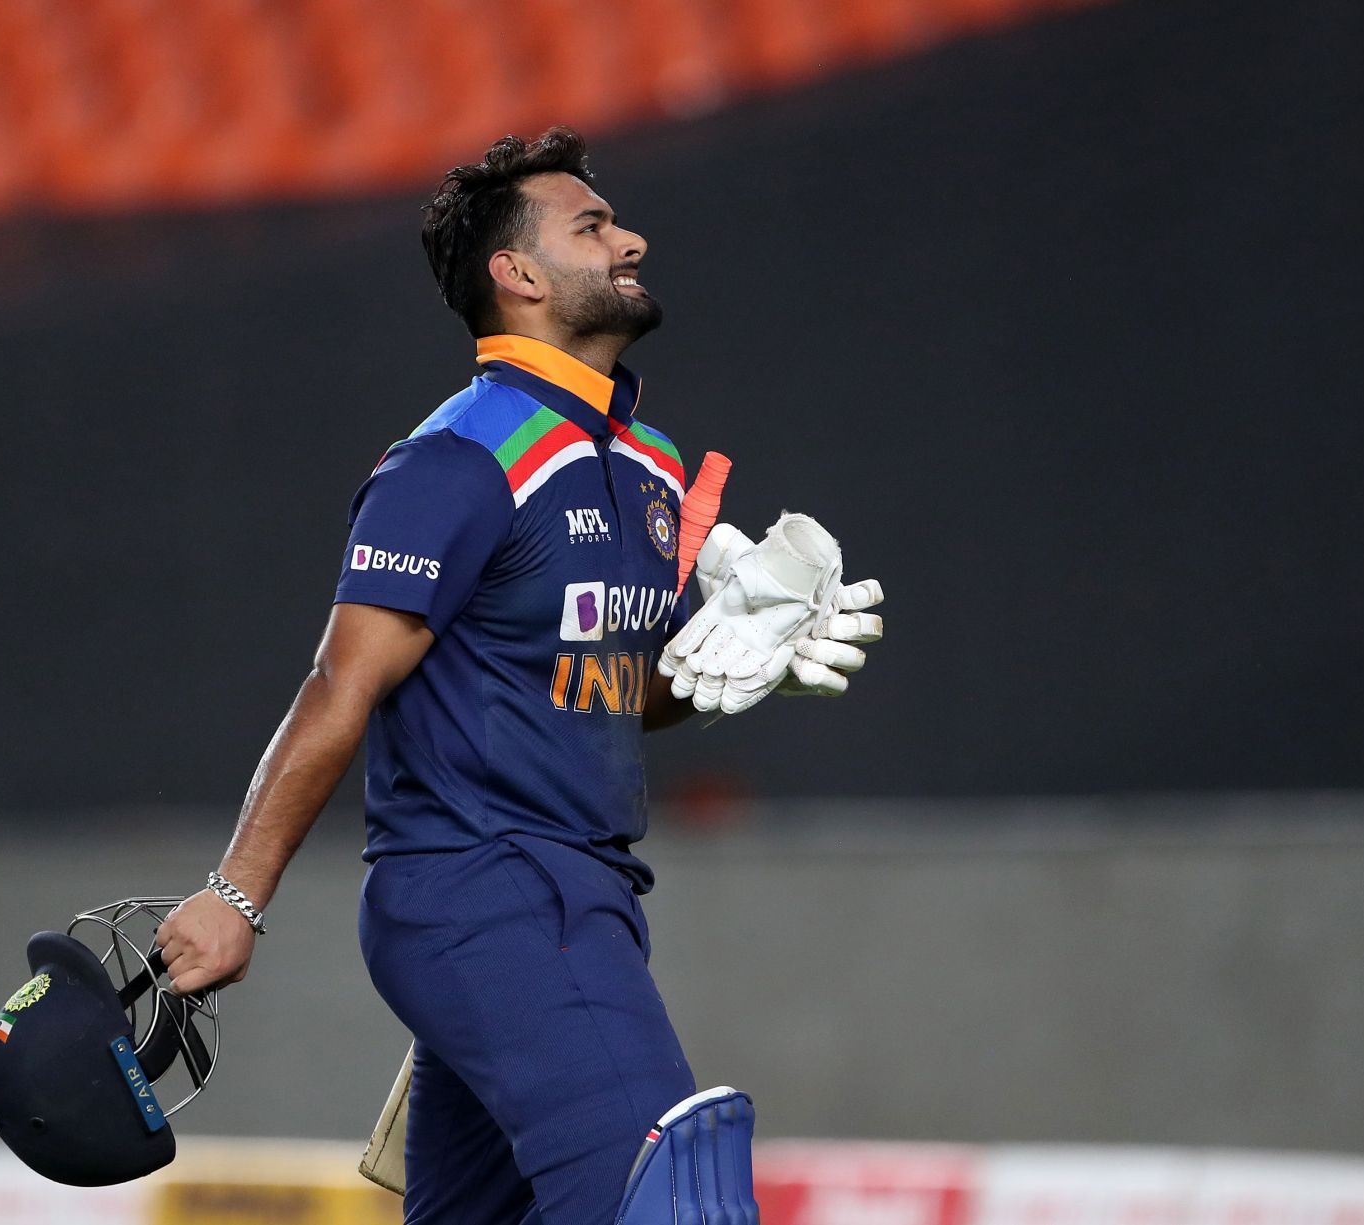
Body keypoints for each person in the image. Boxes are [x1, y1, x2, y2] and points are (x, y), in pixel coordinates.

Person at [154, 127, 880, 1225]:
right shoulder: (459, 458)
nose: (630, 237)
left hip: (575, 898)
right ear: (520, 275)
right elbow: (341, 685)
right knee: (668, 1203)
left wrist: (744, 662)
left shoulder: (649, 464)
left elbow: (609, 687)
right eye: (592, 226)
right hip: (483, 896)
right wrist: (236, 891)